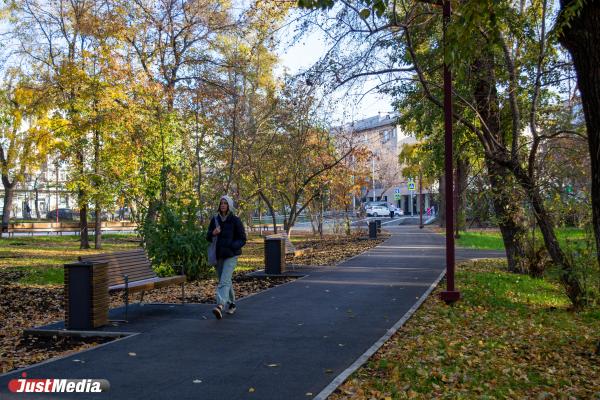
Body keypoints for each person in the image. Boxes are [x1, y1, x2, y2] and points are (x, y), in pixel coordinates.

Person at [206, 195, 247, 320]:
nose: (223, 205)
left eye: (225, 203)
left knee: (224, 280)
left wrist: (232, 246)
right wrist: (213, 233)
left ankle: (220, 305)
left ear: (229, 205)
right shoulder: (215, 219)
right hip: (219, 256)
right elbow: (208, 236)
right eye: (221, 203)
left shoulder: (235, 220)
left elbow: (243, 239)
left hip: (231, 255)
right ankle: (232, 303)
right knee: (225, 281)